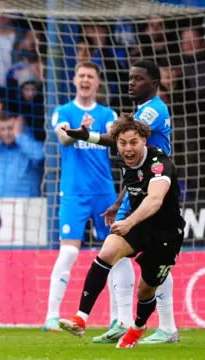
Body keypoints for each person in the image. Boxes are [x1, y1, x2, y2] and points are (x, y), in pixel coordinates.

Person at [65, 60, 178, 344]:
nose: (131, 83)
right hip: (137, 188)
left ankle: (166, 326)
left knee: (154, 264)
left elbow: (120, 137)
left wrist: (88, 135)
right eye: (130, 78)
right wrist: (119, 202)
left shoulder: (152, 110)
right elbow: (128, 160)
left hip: (158, 189)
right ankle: (123, 320)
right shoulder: (141, 111)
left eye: (138, 79)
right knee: (114, 253)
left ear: (153, 83)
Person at [44, 62, 131, 337]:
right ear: (74, 80)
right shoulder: (63, 112)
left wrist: (93, 132)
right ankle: (51, 316)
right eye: (81, 75)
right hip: (74, 192)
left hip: (104, 192)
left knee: (116, 255)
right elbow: (63, 138)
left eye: (90, 76)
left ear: (97, 83)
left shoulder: (108, 114)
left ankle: (118, 320)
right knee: (69, 251)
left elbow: (119, 144)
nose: (85, 80)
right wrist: (79, 131)